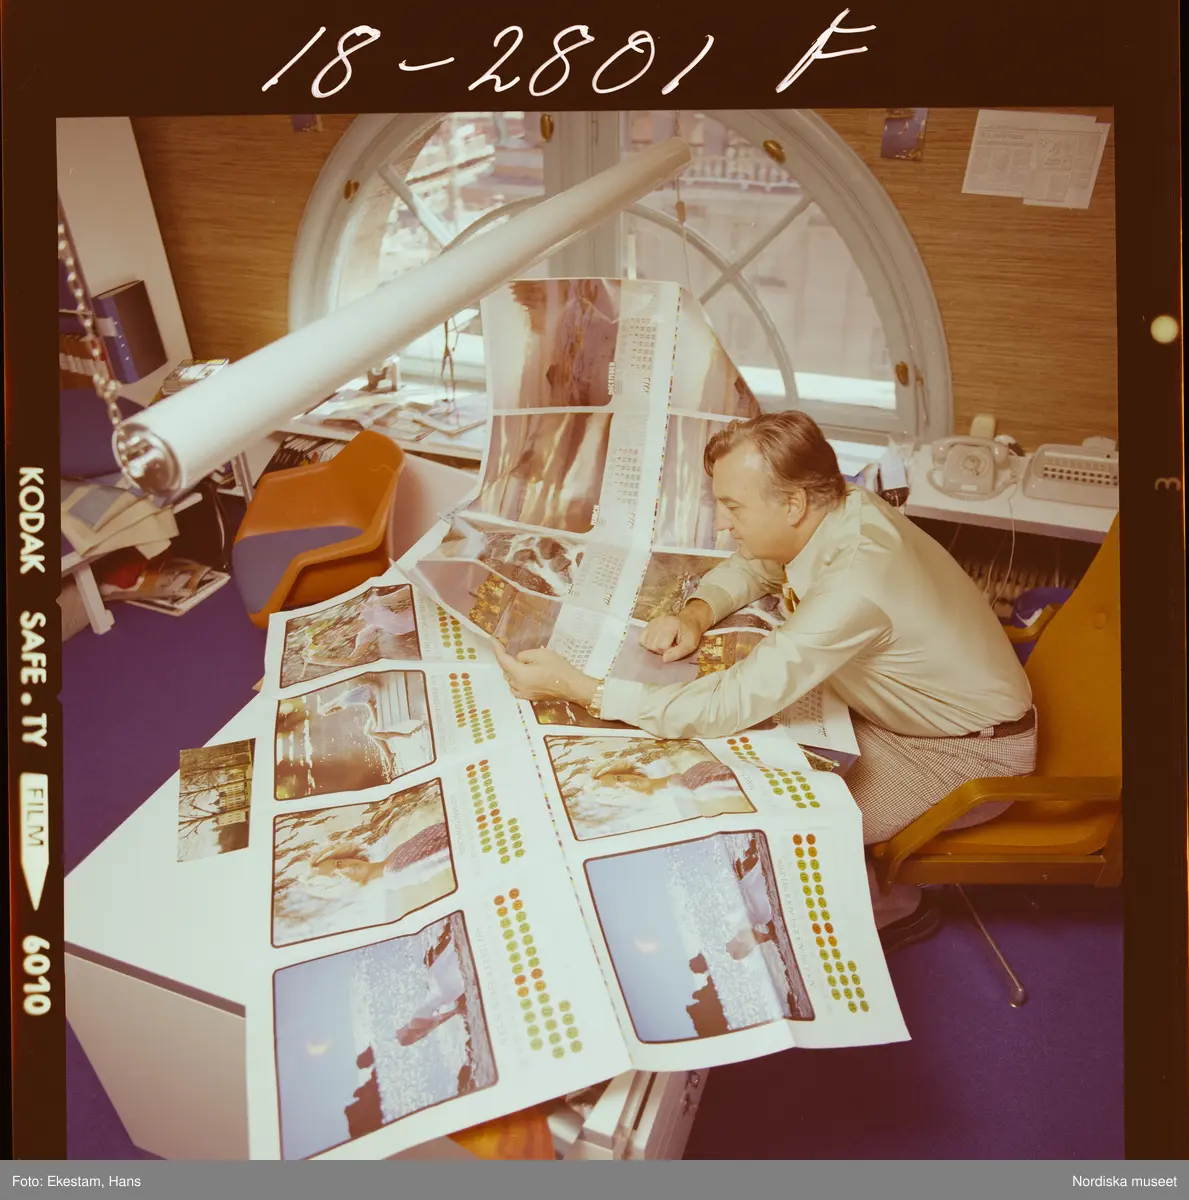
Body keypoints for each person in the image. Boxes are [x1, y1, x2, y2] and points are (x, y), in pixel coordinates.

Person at [493, 411, 1037, 953]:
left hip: (965, 756)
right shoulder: (839, 508)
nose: (722, 525)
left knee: (783, 820)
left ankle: (897, 910)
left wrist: (580, 688)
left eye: (733, 508)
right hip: (910, 715)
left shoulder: (857, 582)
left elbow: (728, 703)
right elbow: (761, 563)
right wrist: (697, 612)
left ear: (793, 504)